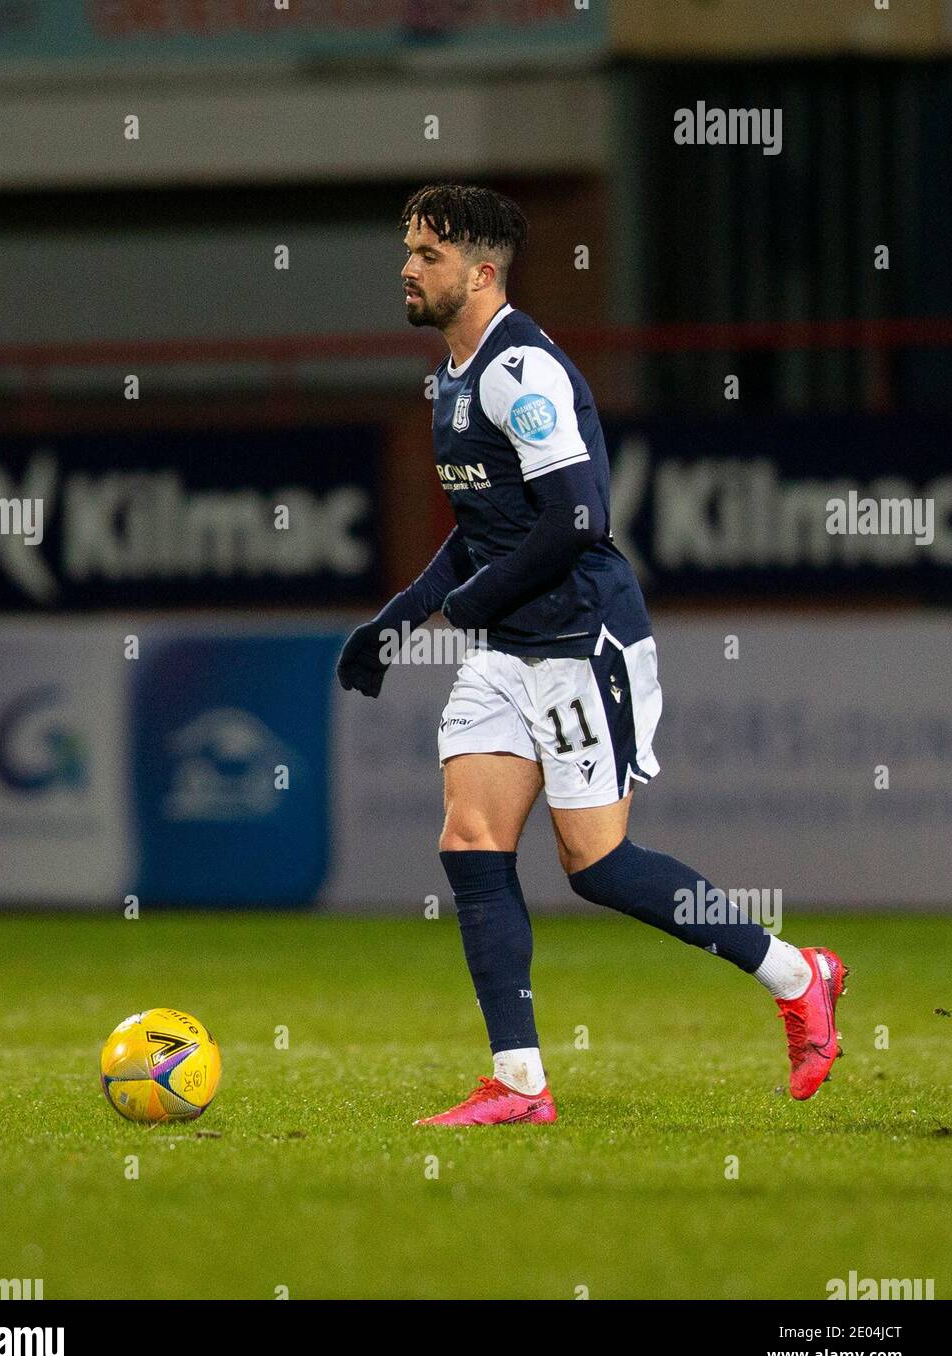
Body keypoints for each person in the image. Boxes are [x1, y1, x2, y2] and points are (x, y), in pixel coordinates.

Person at [337, 183, 847, 1126]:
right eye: (406, 250)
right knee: (471, 841)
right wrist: (398, 620)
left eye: (427, 255)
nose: (407, 268)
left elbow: (580, 517)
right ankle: (520, 1085)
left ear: (480, 273)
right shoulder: (450, 373)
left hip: (581, 640)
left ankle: (794, 973)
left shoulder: (515, 370)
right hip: (506, 647)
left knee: (597, 865)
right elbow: (482, 530)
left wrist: (469, 602)